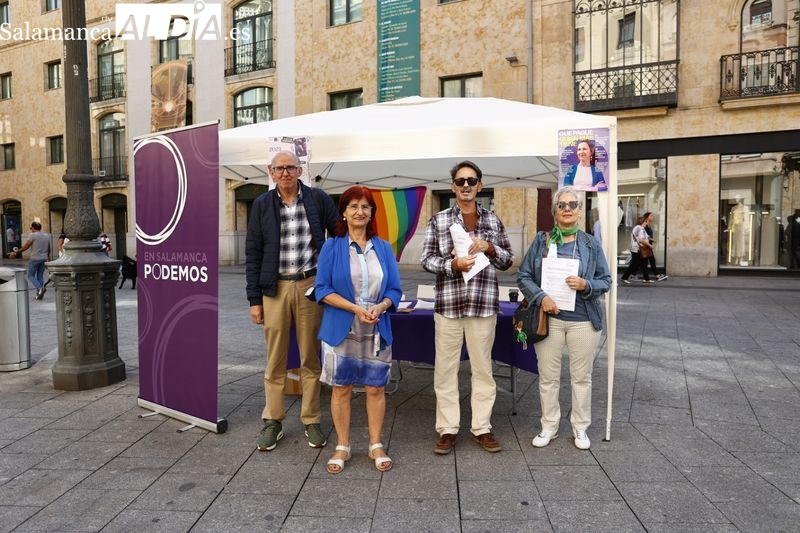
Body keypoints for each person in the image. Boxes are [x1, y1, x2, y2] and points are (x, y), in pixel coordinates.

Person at [246, 150, 339, 452]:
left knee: (310, 357)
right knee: (275, 359)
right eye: (279, 168)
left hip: (309, 284)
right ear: (270, 172)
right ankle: (273, 420)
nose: (285, 173)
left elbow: (337, 234)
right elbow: (253, 253)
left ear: (300, 170)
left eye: (290, 167)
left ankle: (311, 418)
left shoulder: (318, 198)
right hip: (274, 288)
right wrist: (254, 299)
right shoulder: (261, 205)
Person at [421, 160, 514, 455]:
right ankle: (447, 429)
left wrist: (490, 247)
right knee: (445, 371)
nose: (465, 186)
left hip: (482, 305)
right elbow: (427, 260)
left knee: (483, 370)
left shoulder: (493, 220)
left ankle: (482, 427)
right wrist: (452, 264)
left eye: (471, 181)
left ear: (480, 186)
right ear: (452, 187)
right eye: (460, 181)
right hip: (449, 306)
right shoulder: (438, 220)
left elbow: (508, 260)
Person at [314, 186, 403, 474]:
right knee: (341, 389)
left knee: (375, 388)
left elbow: (395, 289)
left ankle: (376, 443)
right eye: (353, 206)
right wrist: (355, 308)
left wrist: (382, 305)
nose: (359, 211)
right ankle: (343, 444)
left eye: (365, 206)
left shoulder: (384, 247)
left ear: (372, 213)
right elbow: (322, 289)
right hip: (343, 325)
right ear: (343, 211)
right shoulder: (332, 246)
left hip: (376, 325)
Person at [517, 186, 612, 450]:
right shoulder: (541, 241)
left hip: (583, 318)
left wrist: (586, 285)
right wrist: (541, 297)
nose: (567, 209)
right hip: (549, 318)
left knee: (581, 377)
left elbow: (606, 280)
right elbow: (524, 276)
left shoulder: (591, 244)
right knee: (548, 377)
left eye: (573, 205)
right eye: (562, 205)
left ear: (580, 211)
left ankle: (580, 428)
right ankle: (549, 426)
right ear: (555, 211)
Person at [9, 221, 51, 300]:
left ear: (33, 228)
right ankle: (39, 294)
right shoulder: (46, 236)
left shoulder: (32, 235)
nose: (31, 229)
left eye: (31, 228)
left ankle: (40, 288)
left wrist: (16, 252)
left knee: (30, 275)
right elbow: (49, 249)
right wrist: (48, 258)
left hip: (35, 258)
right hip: (44, 259)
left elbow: (26, 246)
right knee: (40, 276)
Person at [621, 215, 653, 284]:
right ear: (644, 222)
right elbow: (641, 240)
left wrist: (651, 239)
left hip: (637, 249)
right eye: (646, 221)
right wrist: (649, 245)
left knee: (644, 263)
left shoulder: (639, 228)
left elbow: (646, 237)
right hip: (638, 249)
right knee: (634, 264)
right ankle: (624, 277)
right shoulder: (640, 228)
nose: (647, 223)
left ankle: (646, 279)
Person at [642, 212, 668, 281]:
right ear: (647, 217)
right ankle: (656, 276)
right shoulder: (644, 225)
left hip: (648, 246)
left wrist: (651, 240)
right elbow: (641, 234)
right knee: (650, 261)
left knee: (647, 262)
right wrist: (648, 242)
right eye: (651, 216)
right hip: (646, 246)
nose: (653, 217)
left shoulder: (649, 225)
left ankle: (648, 277)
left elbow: (647, 236)